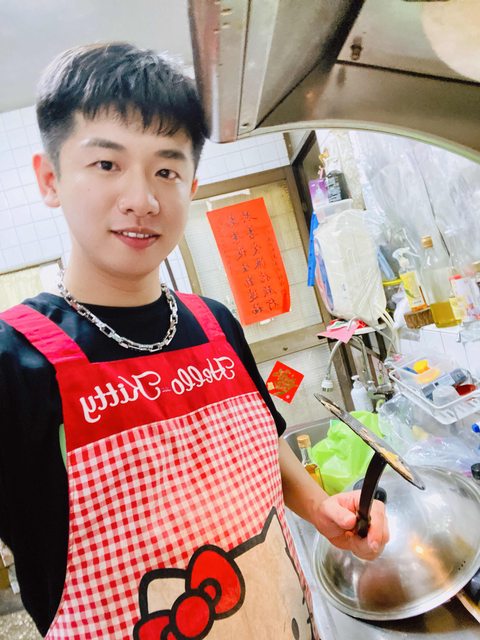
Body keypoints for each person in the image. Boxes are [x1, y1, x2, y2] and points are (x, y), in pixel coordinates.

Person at [0, 42, 388, 639]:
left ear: (192, 184)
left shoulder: (215, 322)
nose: (142, 200)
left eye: (166, 170)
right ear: (50, 179)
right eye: (106, 164)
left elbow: (265, 443)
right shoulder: (13, 360)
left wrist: (319, 507)